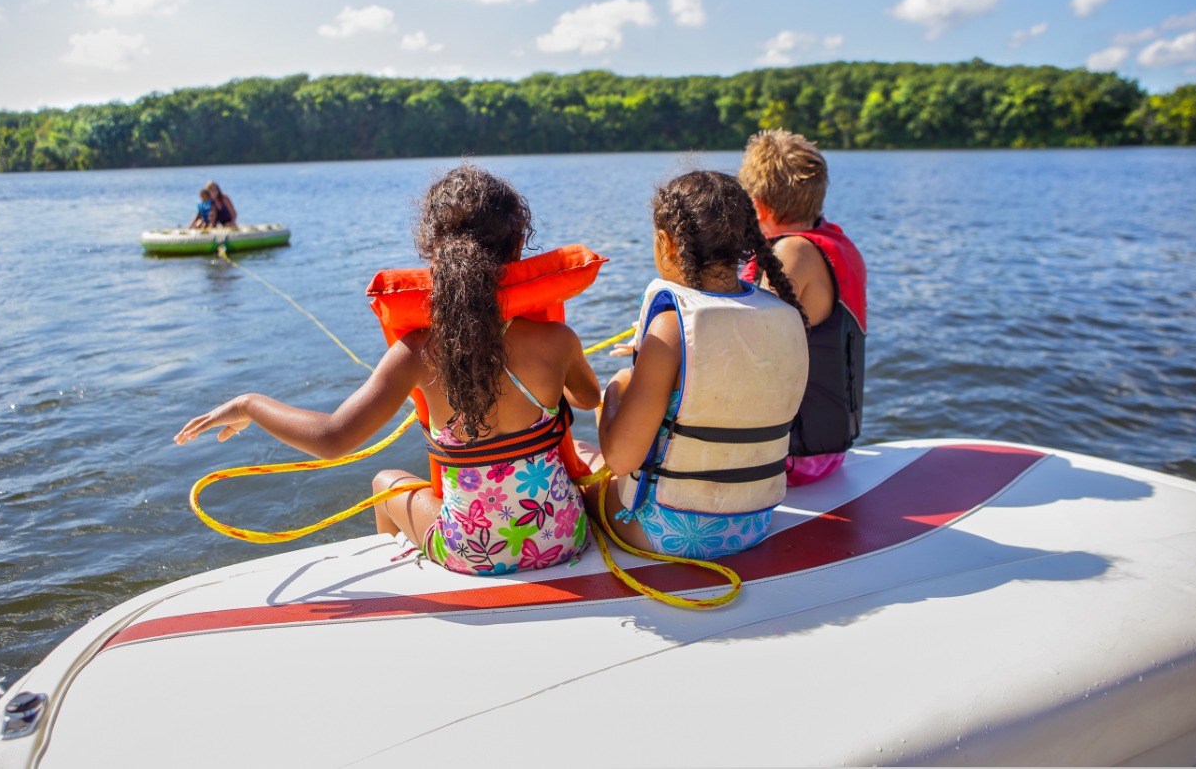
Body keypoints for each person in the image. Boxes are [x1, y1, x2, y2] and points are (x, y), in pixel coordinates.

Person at [174, 165, 601, 576]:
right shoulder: (556, 341)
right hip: (561, 536)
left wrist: (250, 405)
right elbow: (587, 400)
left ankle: (403, 590)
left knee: (385, 482)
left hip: (472, 552)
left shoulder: (416, 353)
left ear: (433, 254)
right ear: (517, 247)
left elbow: (332, 438)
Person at [582, 171, 809, 560]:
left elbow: (621, 459)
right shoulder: (784, 314)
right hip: (753, 524)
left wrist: (615, 389)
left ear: (666, 243)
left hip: (664, 531)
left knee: (579, 457)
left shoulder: (672, 328)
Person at [737, 128, 867, 486]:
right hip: (826, 453)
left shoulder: (791, 254)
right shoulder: (837, 244)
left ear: (758, 206)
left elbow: (749, 346)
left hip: (791, 457)